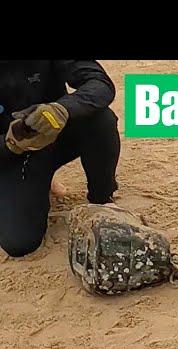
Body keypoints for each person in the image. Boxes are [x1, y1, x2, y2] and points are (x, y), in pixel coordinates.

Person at [0, 60, 120, 257]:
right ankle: (40, 181)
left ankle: (101, 200)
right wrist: (10, 144)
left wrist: (62, 109)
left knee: (101, 120)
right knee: (19, 243)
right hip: (13, 155)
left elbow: (99, 83)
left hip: (57, 131)